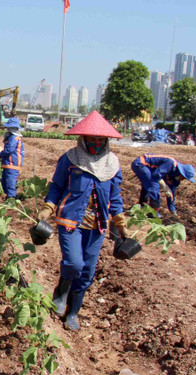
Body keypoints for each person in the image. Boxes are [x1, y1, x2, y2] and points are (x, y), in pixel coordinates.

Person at [37, 111, 128, 331]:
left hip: (96, 227)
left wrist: (120, 221)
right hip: (71, 221)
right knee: (74, 263)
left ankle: (73, 312)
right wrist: (49, 207)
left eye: (101, 140)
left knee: (87, 270)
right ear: (84, 139)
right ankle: (60, 294)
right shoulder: (70, 159)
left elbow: (114, 197)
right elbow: (57, 186)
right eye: (92, 139)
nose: (97, 143)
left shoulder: (112, 164)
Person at [130, 153, 195, 217]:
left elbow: (171, 194)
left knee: (148, 185)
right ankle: (153, 213)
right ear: (181, 173)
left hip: (148, 169)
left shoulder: (175, 179)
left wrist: (173, 211)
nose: (182, 179)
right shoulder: (171, 164)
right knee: (154, 185)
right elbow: (156, 175)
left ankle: (141, 207)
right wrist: (165, 187)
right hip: (141, 164)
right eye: (183, 177)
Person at [0, 117, 25, 199]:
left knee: (10, 182)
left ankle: (11, 199)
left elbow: (9, 150)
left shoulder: (14, 138)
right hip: (8, 163)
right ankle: (9, 196)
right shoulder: (11, 137)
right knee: (5, 182)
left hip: (12, 164)